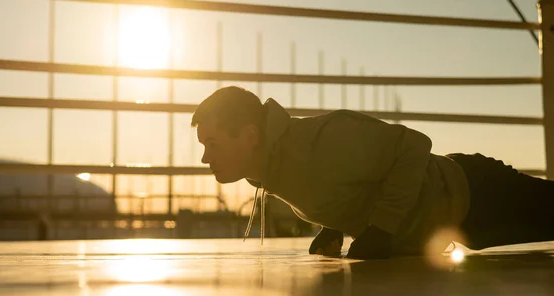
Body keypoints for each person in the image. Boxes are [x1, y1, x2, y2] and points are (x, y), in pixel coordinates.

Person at [191, 86, 554, 259]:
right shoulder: (274, 167)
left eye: (213, 143)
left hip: (478, 191)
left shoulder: (323, 137)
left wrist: (382, 228)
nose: (206, 157)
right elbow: (341, 182)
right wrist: (333, 226)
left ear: (251, 135)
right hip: (465, 220)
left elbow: (414, 144)